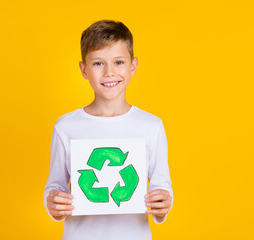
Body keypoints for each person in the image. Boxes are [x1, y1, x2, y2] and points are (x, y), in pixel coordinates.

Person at [44, 19, 173, 240]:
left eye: (119, 62)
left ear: (133, 66)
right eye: (98, 63)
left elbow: (162, 186)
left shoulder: (151, 126)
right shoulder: (66, 126)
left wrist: (163, 204)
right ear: (84, 70)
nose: (109, 72)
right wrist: (54, 203)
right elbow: (55, 186)